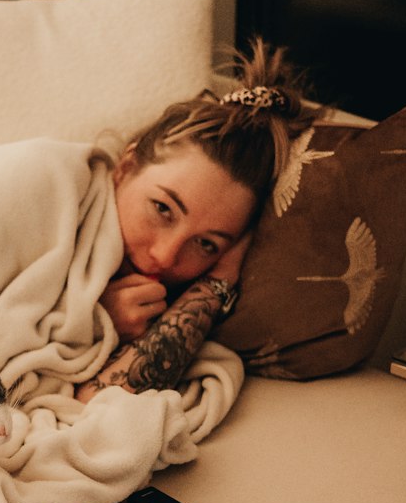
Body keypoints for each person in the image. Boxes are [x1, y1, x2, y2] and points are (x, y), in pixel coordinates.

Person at [77, 38, 319, 401]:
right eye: (162, 209)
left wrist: (219, 281)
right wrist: (91, 324)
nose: (164, 257)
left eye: (207, 244)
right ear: (126, 167)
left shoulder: (165, 306)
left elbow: (97, 406)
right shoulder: (55, 189)